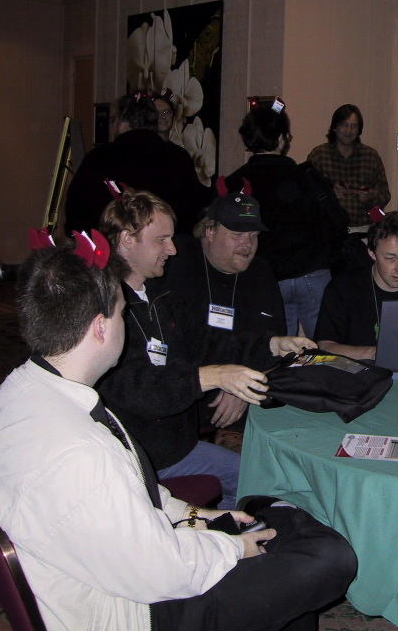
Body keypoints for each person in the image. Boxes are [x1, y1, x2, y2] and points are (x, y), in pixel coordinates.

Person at [0, 239, 357, 631]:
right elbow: (163, 572)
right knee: (330, 556)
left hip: (102, 572)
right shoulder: (81, 450)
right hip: (130, 612)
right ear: (100, 328)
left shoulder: (17, 394)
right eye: (121, 312)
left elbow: (132, 497)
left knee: (275, 524)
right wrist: (233, 546)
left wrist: (196, 516)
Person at [97, 189, 312, 508]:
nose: (172, 249)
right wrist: (214, 377)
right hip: (140, 459)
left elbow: (204, 342)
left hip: (175, 447)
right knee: (271, 490)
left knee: (273, 486)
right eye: (161, 240)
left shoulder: (155, 294)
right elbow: (137, 390)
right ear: (127, 239)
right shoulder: (106, 307)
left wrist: (272, 344)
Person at [161, 188, 286, 430]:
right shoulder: (177, 260)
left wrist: (242, 388)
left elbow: (277, 346)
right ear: (210, 231)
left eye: (253, 235)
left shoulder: (261, 272)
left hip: (240, 396)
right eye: (236, 235)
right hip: (184, 393)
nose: (247, 244)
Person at [224, 99, 347, 338]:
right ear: (282, 139)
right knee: (325, 346)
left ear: (248, 141)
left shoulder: (236, 183)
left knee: (278, 349)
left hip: (265, 276)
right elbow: (337, 222)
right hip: (312, 269)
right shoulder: (308, 178)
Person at [64, 91, 210, 235]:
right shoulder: (178, 157)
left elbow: (77, 210)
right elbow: (194, 208)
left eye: (114, 120)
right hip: (170, 243)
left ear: (124, 122)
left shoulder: (100, 157)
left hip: (112, 244)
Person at [314, 210, 398, 359]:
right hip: (360, 369)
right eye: (390, 258)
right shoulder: (342, 288)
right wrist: (373, 353)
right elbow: (325, 346)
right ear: (372, 253)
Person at [308, 103, 391, 229]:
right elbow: (307, 195)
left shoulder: (371, 156)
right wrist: (330, 194)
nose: (348, 130)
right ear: (335, 127)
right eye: (344, 124)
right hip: (328, 229)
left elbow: (385, 194)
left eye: (353, 126)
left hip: (363, 228)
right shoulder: (319, 155)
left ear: (359, 130)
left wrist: (369, 196)